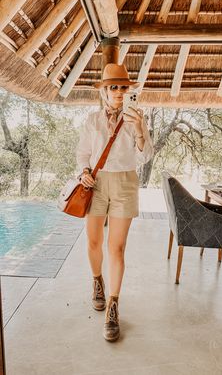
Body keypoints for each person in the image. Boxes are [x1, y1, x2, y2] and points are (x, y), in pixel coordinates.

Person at [76, 63, 154, 342]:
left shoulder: (137, 119)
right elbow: (83, 153)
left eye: (124, 87)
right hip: (95, 185)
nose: (119, 92)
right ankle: (97, 280)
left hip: (124, 184)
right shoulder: (92, 120)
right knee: (94, 243)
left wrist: (140, 130)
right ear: (105, 92)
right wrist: (84, 172)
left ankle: (113, 305)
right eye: (114, 87)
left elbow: (144, 158)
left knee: (117, 248)